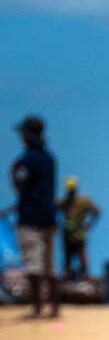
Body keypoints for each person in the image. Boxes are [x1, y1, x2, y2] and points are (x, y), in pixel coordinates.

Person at [0, 114, 60, 318]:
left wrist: (12, 175)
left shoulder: (26, 160)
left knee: (33, 264)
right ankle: (54, 308)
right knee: (50, 265)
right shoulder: (49, 158)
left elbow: (22, 188)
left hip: (30, 218)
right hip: (49, 217)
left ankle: (36, 309)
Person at [57, 176, 100, 277]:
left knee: (81, 253)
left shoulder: (84, 201)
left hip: (79, 231)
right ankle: (67, 273)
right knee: (68, 257)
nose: (70, 192)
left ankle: (85, 274)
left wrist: (89, 224)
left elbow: (97, 212)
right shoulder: (64, 201)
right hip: (67, 233)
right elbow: (52, 210)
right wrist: (59, 224)